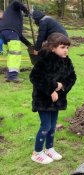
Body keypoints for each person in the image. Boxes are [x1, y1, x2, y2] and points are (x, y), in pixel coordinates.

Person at [29, 32, 76, 164]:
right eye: (62, 47)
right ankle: (37, 152)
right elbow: (35, 77)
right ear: (53, 47)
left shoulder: (67, 61)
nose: (66, 50)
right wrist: (51, 89)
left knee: (52, 126)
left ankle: (49, 148)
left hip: (57, 101)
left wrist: (62, 85)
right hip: (43, 100)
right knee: (46, 125)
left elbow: (72, 77)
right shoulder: (44, 60)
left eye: (67, 47)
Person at [0, 0, 32, 82]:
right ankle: (13, 76)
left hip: (4, 33)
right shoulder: (13, 6)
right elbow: (15, 2)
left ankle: (9, 74)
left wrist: (29, 45)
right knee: (15, 54)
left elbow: (19, 35)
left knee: (11, 54)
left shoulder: (13, 17)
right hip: (10, 33)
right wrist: (26, 10)